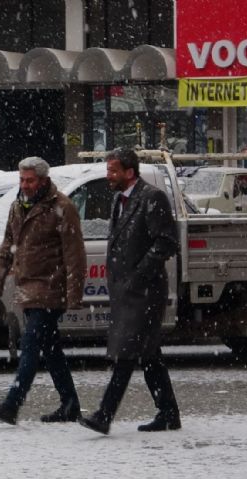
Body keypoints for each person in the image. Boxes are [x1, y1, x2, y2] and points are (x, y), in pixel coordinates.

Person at [78, 147, 181, 435]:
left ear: (129, 172)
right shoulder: (119, 199)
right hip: (127, 291)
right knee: (148, 354)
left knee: (126, 353)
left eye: (113, 170)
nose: (108, 175)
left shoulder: (151, 198)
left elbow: (166, 242)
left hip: (145, 292)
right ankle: (168, 411)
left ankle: (104, 414)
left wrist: (138, 275)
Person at [0, 156, 86, 425]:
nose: (25, 185)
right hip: (28, 288)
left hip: (50, 289)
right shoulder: (18, 206)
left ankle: (12, 404)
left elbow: (74, 254)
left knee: (30, 345)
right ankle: (70, 404)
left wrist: (74, 294)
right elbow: (7, 246)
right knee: (51, 350)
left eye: (30, 180)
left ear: (42, 180)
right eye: (21, 180)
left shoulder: (62, 207)